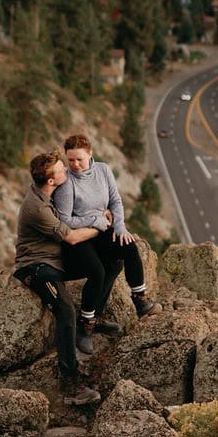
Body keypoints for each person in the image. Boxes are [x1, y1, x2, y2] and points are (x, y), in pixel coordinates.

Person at [53, 131, 160, 352]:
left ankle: (140, 299)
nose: (74, 164)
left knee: (128, 247)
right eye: (70, 159)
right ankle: (86, 326)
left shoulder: (103, 169)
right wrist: (96, 219)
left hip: (101, 230)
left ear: (90, 154)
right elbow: (65, 220)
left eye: (79, 159)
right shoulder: (67, 183)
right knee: (98, 272)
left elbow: (115, 200)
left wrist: (119, 226)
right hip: (79, 237)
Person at [13, 149, 101, 405]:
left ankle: (94, 319)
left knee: (101, 268)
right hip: (36, 267)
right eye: (62, 169)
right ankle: (70, 385)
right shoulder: (36, 208)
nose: (67, 170)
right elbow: (71, 237)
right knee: (65, 310)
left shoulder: (49, 192)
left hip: (55, 262)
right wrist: (98, 226)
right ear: (51, 180)